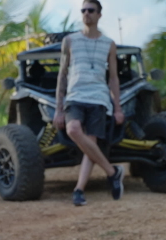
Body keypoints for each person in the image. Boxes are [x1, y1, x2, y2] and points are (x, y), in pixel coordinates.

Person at [53, 0, 125, 207]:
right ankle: (112, 172)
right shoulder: (70, 40)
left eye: (91, 10)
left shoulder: (109, 44)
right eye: (83, 10)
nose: (86, 14)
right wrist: (59, 109)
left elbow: (113, 78)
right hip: (75, 96)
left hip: (99, 98)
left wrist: (118, 108)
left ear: (99, 15)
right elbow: (62, 75)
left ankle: (78, 190)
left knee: (90, 145)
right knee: (73, 129)